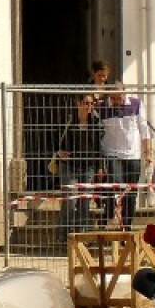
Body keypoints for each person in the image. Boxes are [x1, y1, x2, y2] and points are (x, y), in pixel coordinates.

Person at [96, 65, 152, 230]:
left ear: (124, 93)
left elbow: (144, 130)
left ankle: (126, 225)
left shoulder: (136, 104)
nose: (117, 102)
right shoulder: (102, 107)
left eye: (119, 98)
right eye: (113, 98)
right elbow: (96, 133)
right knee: (116, 185)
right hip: (112, 154)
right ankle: (110, 215)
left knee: (131, 192)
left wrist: (148, 152)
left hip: (133, 155)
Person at [54, 91, 104, 235]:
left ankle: (82, 236)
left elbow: (98, 146)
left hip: (87, 166)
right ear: (78, 104)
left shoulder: (95, 122)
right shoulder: (69, 120)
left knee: (84, 203)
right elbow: (53, 135)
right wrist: (58, 151)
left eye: (92, 104)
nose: (89, 107)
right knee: (70, 201)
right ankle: (63, 236)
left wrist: (100, 166)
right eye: (86, 103)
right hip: (69, 166)